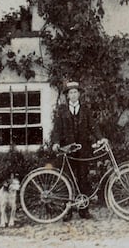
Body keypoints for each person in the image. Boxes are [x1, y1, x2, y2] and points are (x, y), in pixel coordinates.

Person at [50, 81, 107, 220]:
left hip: (83, 149)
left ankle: (83, 210)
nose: (73, 95)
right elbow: (56, 129)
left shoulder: (85, 110)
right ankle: (67, 211)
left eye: (75, 92)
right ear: (67, 96)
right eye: (71, 93)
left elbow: (93, 127)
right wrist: (56, 142)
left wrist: (101, 138)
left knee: (83, 178)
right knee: (68, 179)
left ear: (79, 94)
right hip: (68, 149)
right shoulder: (62, 111)